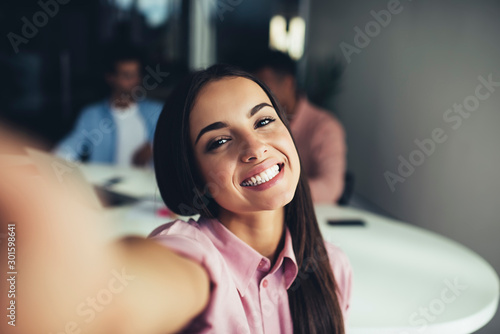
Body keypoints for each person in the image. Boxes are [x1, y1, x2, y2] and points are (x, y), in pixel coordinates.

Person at [0, 65, 352, 334]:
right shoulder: (194, 257)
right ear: (194, 175)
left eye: (263, 121)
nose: (255, 147)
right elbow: (129, 295)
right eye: (219, 141)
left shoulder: (333, 268)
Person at [250, 51, 347, 204]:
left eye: (265, 86)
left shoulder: (325, 126)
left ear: (288, 83)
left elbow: (331, 187)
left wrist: (275, 189)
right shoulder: (255, 124)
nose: (259, 95)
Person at [54, 46, 162, 167]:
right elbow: (71, 147)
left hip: (145, 184)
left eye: (136, 75)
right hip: (106, 183)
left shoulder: (157, 111)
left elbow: (175, 143)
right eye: (127, 75)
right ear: (111, 78)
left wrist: (153, 148)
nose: (134, 81)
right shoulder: (92, 115)